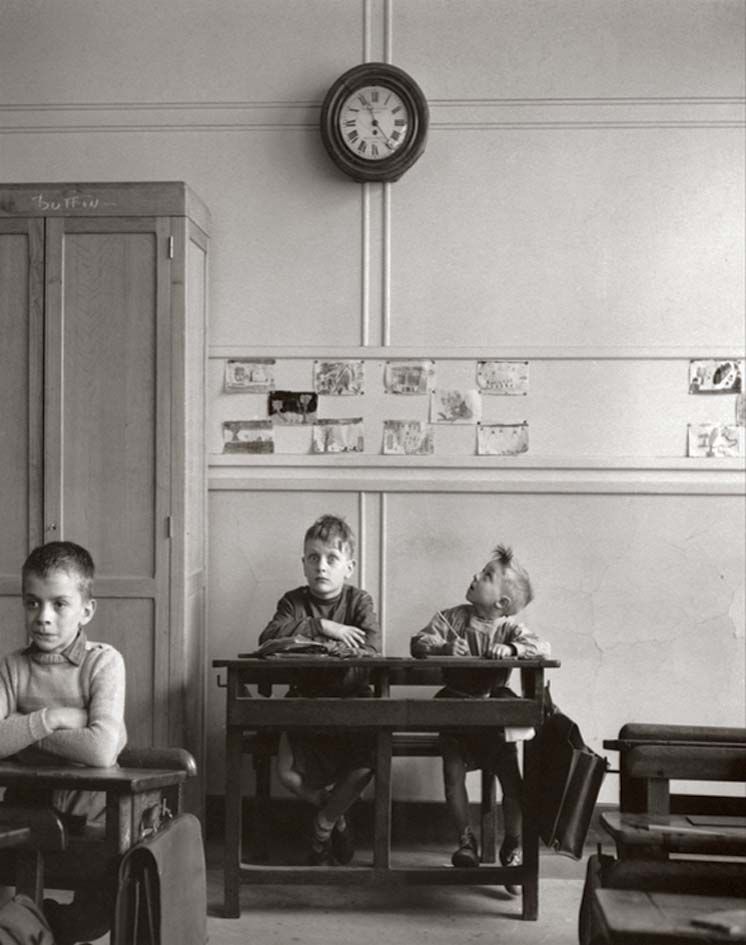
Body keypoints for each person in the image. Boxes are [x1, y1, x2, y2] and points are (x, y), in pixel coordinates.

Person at [0, 541, 126, 944]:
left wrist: (20, 733)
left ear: (86, 610)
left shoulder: (103, 662)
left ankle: (35, 925)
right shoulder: (12, 667)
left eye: (59, 604)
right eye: (32, 604)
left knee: (94, 916)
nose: (44, 618)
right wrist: (51, 719)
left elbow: (102, 749)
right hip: (22, 814)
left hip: (90, 821)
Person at [410, 544, 550, 892]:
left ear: (501, 603)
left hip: (492, 719)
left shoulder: (509, 629)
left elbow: (542, 647)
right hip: (455, 714)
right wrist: (440, 649)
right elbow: (418, 643)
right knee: (452, 775)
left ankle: (514, 844)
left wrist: (513, 650)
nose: (476, 576)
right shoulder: (451, 618)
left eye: (486, 575)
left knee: (512, 782)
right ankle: (465, 840)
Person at [258, 514, 380, 866]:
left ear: (349, 566)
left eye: (331, 559)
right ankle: (337, 814)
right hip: (305, 703)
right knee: (287, 773)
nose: (321, 567)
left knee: (366, 765)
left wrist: (315, 647)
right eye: (313, 558)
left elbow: (371, 651)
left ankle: (324, 824)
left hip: (353, 703)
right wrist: (323, 626)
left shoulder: (359, 602)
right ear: (303, 563)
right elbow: (268, 638)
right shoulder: (293, 602)